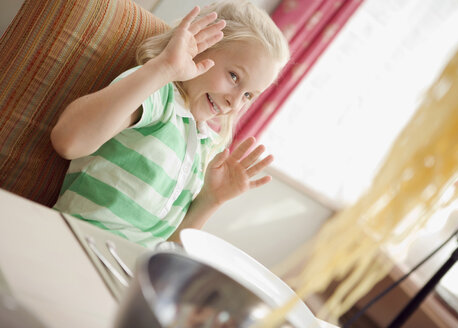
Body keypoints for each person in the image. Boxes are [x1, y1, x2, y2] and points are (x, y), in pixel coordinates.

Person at [50, 0, 290, 248]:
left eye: (249, 95)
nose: (235, 102)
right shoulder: (157, 95)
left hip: (124, 268)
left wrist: (211, 199)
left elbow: (169, 249)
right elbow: (68, 141)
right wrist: (164, 69)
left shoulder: (207, 146)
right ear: (199, 45)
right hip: (75, 242)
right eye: (234, 76)